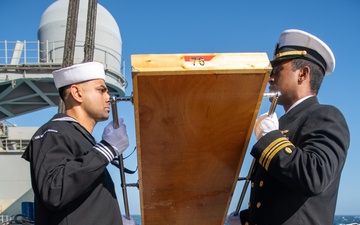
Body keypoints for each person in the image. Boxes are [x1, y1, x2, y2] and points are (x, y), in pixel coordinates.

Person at [228, 29, 350, 225]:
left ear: (302, 74)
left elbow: (315, 175)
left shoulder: (325, 116)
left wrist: (270, 137)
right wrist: (245, 219)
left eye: (277, 71)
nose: (270, 78)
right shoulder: (282, 124)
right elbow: (275, 198)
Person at [22, 62, 134, 225]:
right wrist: (107, 149)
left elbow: (88, 207)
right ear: (77, 93)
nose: (108, 97)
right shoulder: (53, 132)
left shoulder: (83, 141)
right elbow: (54, 191)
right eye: (101, 90)